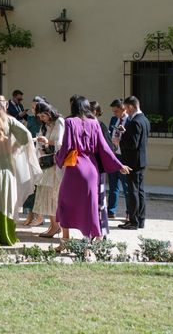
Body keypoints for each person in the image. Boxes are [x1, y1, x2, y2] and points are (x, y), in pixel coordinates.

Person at [55, 96, 129, 248]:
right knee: (89, 207)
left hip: (75, 167)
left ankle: (65, 241)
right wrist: (118, 164)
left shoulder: (70, 122)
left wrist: (58, 159)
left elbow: (67, 145)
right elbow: (104, 147)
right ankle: (87, 246)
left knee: (64, 202)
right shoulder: (94, 123)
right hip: (92, 168)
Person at [0, 95, 41, 246]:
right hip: (7, 167)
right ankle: (6, 235)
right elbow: (26, 136)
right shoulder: (9, 121)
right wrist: (14, 148)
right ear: (4, 106)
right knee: (7, 201)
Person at [33, 101, 65, 238]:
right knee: (45, 193)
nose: (42, 119)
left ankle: (57, 226)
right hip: (46, 162)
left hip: (55, 164)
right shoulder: (46, 125)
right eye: (40, 117)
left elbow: (61, 142)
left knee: (53, 195)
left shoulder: (59, 122)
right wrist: (41, 144)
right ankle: (53, 225)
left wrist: (47, 141)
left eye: (43, 116)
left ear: (49, 113)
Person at [118, 96, 150, 230]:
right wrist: (126, 133)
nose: (126, 111)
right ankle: (140, 220)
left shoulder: (135, 121)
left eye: (126, 108)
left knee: (133, 192)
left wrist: (121, 137)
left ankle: (133, 221)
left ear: (131, 107)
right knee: (140, 191)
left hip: (133, 162)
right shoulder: (145, 120)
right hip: (140, 160)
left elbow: (132, 143)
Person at [90, 100, 115, 236]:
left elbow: (109, 147)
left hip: (99, 168)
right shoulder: (87, 125)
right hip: (90, 168)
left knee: (100, 201)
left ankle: (102, 231)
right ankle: (94, 230)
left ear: (96, 112)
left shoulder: (100, 126)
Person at [23, 95, 47, 226]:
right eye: (32, 107)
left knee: (40, 185)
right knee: (30, 184)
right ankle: (31, 214)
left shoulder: (46, 120)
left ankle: (39, 215)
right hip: (30, 152)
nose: (33, 110)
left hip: (42, 154)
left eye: (35, 107)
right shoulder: (31, 119)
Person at [107, 98, 129, 220]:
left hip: (124, 156)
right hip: (113, 155)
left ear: (123, 109)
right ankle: (111, 211)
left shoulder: (130, 120)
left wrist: (121, 139)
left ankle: (129, 212)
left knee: (126, 185)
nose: (114, 114)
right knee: (113, 184)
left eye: (116, 111)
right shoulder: (114, 119)